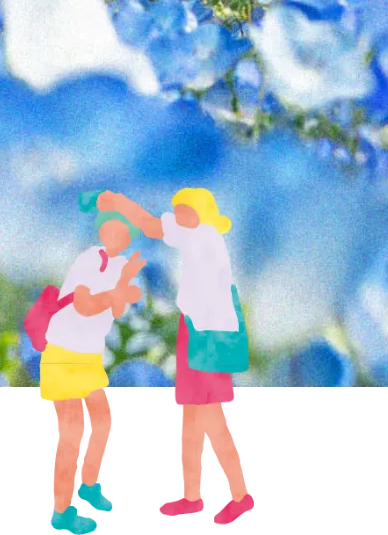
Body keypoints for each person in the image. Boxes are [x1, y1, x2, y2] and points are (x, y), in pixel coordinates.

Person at [97, 186, 256, 529]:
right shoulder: (199, 236)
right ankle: (194, 497)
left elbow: (154, 228)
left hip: (211, 337)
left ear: (197, 214)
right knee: (191, 423)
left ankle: (240, 496)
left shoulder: (203, 237)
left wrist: (121, 203)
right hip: (195, 332)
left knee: (212, 422)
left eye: (182, 210)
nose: (177, 215)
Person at [38, 202, 147, 534]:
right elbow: (85, 303)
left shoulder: (117, 264)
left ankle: (87, 484)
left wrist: (124, 286)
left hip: (87, 355)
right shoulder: (88, 259)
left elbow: (121, 302)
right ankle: (62, 512)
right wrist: (118, 292)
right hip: (64, 355)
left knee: (101, 422)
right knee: (71, 435)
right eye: (116, 230)